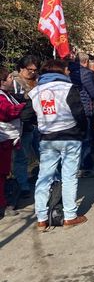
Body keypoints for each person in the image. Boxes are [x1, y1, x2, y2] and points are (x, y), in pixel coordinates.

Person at [29, 59, 88, 231]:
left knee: (44, 177)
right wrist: (83, 132)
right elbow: (79, 113)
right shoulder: (69, 88)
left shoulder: (35, 91)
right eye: (67, 69)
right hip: (70, 137)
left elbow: (28, 115)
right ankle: (70, 216)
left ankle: (41, 218)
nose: (69, 71)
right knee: (69, 176)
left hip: (47, 138)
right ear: (61, 70)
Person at [10, 55, 41, 196]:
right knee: (21, 156)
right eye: (30, 70)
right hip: (22, 125)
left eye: (35, 70)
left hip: (36, 123)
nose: (33, 72)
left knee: (41, 153)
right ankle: (23, 186)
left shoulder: (38, 81)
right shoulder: (14, 82)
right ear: (22, 68)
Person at [0, 66, 26, 219]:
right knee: (1, 174)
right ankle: (2, 204)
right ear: (2, 82)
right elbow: (7, 112)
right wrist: (23, 107)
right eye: (10, 77)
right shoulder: (1, 97)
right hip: (3, 139)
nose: (12, 80)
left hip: (7, 139)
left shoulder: (6, 94)